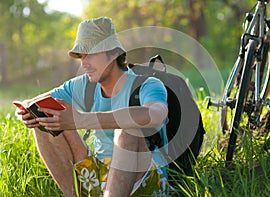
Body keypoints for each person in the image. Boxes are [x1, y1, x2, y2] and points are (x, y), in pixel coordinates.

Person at [17, 17, 169, 197]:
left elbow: (156, 114)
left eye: (90, 54)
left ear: (113, 54)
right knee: (45, 118)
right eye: (81, 56)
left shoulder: (148, 85)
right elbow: (33, 102)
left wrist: (81, 119)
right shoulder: (85, 85)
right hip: (98, 175)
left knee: (127, 128)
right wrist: (26, 112)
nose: (84, 63)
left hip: (144, 181)